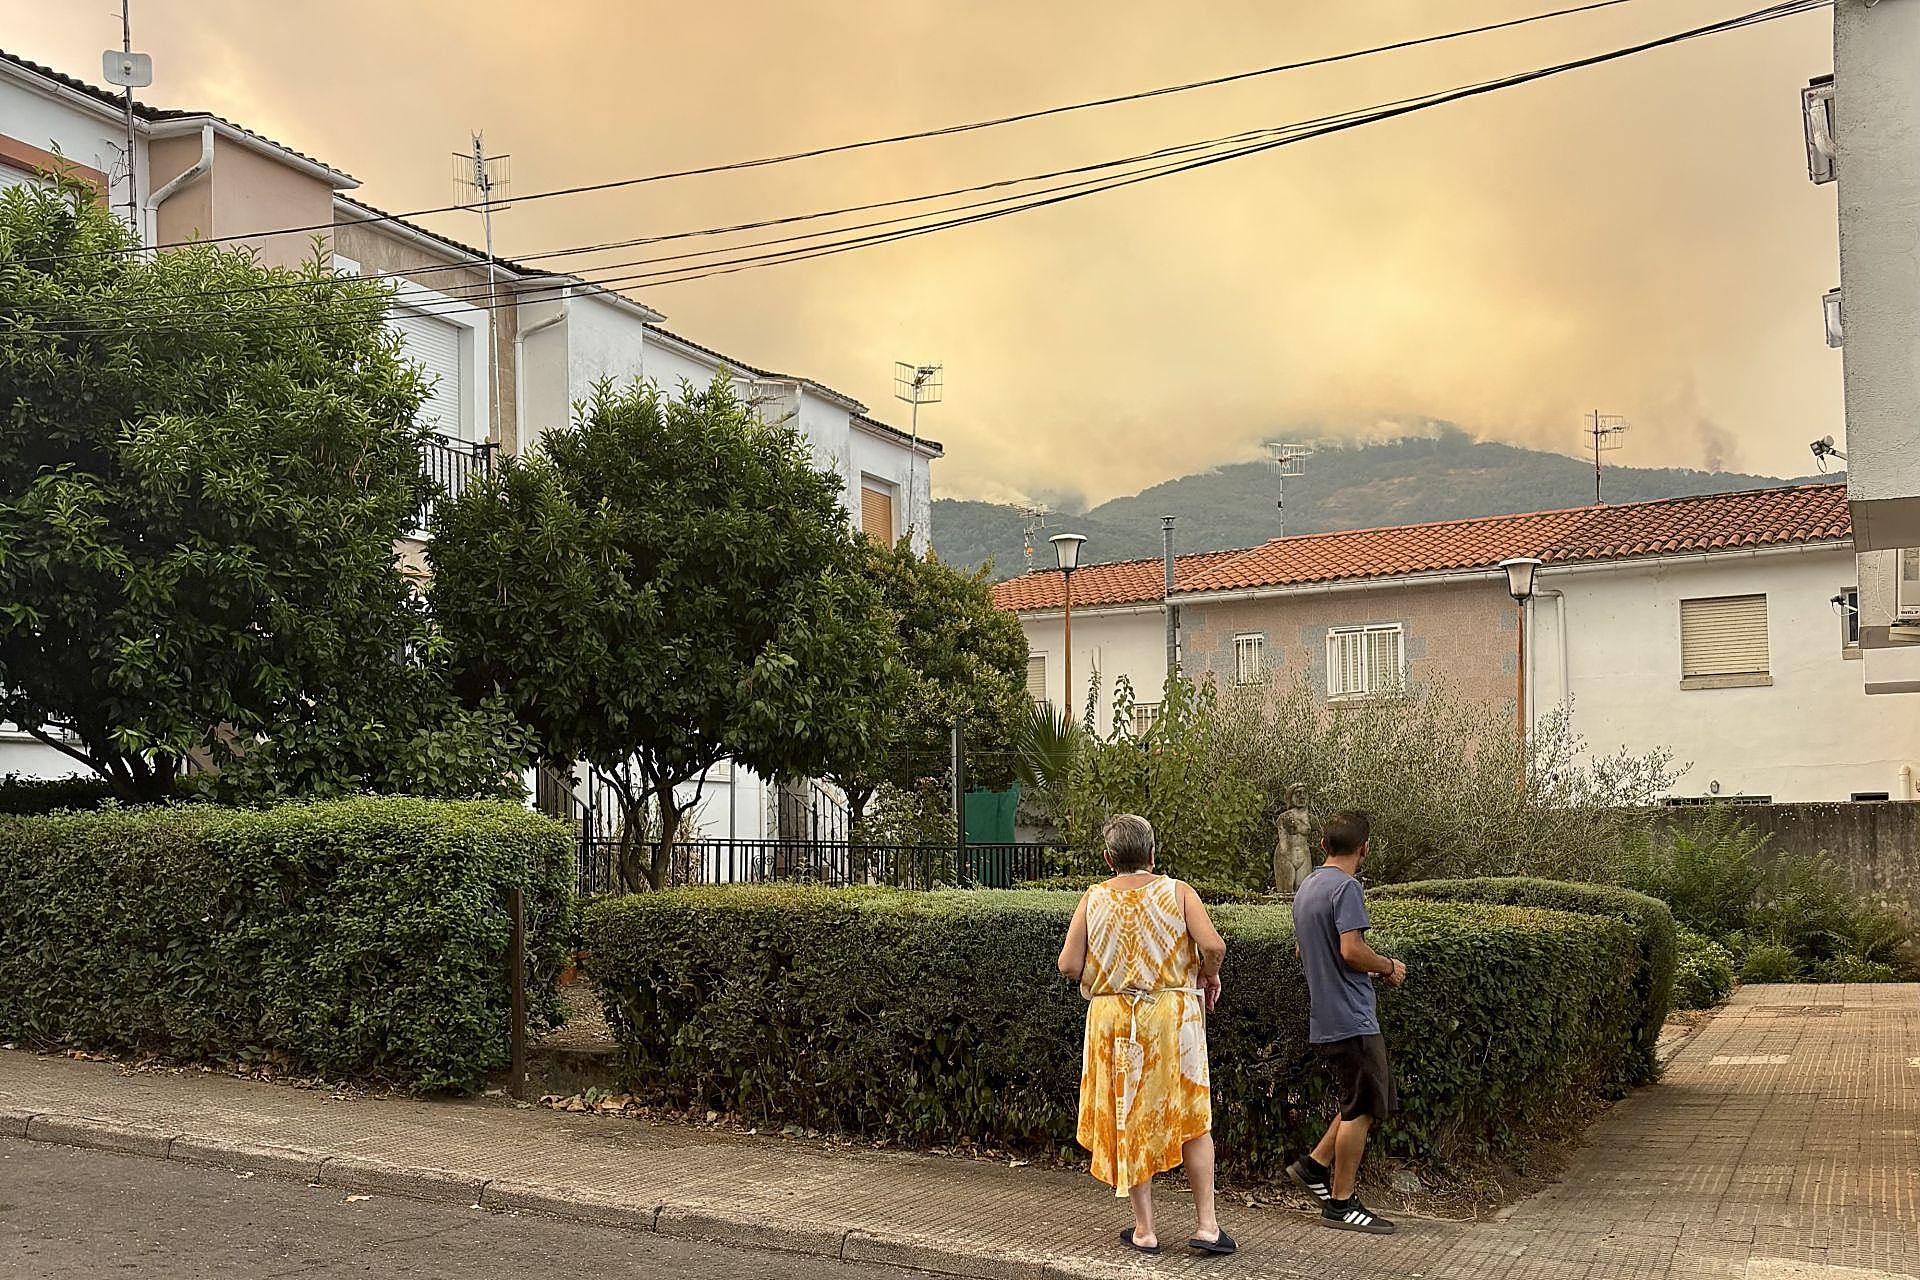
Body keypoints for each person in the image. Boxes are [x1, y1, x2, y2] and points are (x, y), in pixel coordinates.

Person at [1057, 814, 1234, 1258]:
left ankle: (1145, 1231)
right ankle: (1207, 1227)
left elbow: (1068, 965)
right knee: (1193, 1117)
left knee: (1127, 1115)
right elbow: (1213, 946)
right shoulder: (1177, 891)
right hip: (1173, 1018)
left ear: (1108, 858)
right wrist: (1207, 976)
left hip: (1114, 1020)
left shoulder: (1093, 898)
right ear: (1153, 855)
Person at [1286, 810, 1405, 1234]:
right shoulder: (1347, 888)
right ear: (1364, 848)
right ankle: (1341, 1203)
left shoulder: (1307, 889)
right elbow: (1352, 950)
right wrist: (1388, 965)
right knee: (1363, 1109)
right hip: (1353, 1016)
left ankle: (1313, 1166)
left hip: (1326, 1014)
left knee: (1355, 1099)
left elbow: (1307, 953)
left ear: (1322, 846)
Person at [1273, 783, 1315, 893]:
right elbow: (1282, 840)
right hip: (1286, 854)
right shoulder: (1285, 817)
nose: (1302, 796)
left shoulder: (1311, 818)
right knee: (1286, 893)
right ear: (1291, 797)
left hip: (1304, 854)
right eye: (1298, 793)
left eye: (1304, 793)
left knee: (1304, 893)